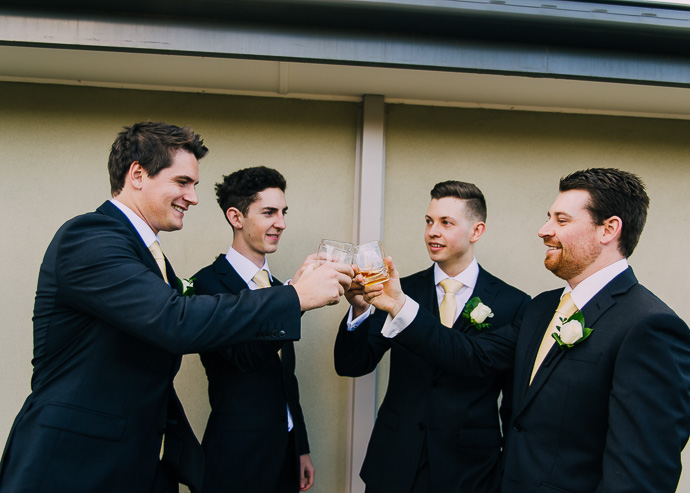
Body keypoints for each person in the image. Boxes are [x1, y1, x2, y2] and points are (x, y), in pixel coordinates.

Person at [0, 122, 352, 493]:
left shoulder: (152, 259)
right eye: (183, 182)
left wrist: (189, 463)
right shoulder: (90, 237)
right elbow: (175, 321)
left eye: (195, 185)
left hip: (136, 463)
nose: (194, 197)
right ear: (137, 174)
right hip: (72, 463)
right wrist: (294, 297)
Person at [363, 168, 690, 492]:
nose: (543, 230)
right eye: (549, 217)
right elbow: (473, 355)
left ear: (608, 229)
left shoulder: (649, 326)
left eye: (561, 220)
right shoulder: (542, 308)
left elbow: (640, 477)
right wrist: (397, 306)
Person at [334, 181, 530, 492]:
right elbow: (352, 364)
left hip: (471, 468)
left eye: (446, 223)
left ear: (476, 231)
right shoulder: (400, 290)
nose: (432, 232)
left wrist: (508, 472)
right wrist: (359, 311)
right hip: (396, 461)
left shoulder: (514, 303)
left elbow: (513, 402)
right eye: (429, 221)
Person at [193, 166, 314, 492]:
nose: (281, 223)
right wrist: (294, 300)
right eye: (269, 212)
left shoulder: (278, 288)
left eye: (283, 212)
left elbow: (285, 378)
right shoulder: (207, 285)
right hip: (236, 457)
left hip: (285, 454)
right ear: (236, 217)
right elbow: (242, 357)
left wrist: (300, 445)